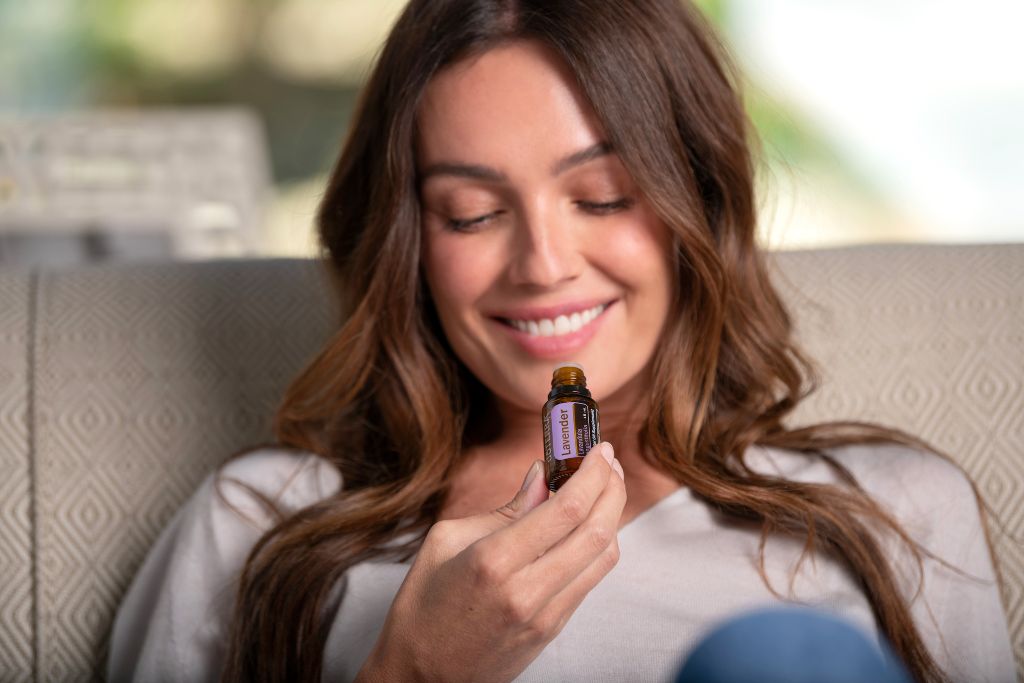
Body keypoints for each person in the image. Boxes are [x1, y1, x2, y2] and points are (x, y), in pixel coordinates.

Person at [107, 1, 1015, 681]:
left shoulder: (893, 512)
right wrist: (412, 668)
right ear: (407, 243)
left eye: (605, 196)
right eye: (472, 213)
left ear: (694, 205)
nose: (542, 265)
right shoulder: (261, 527)